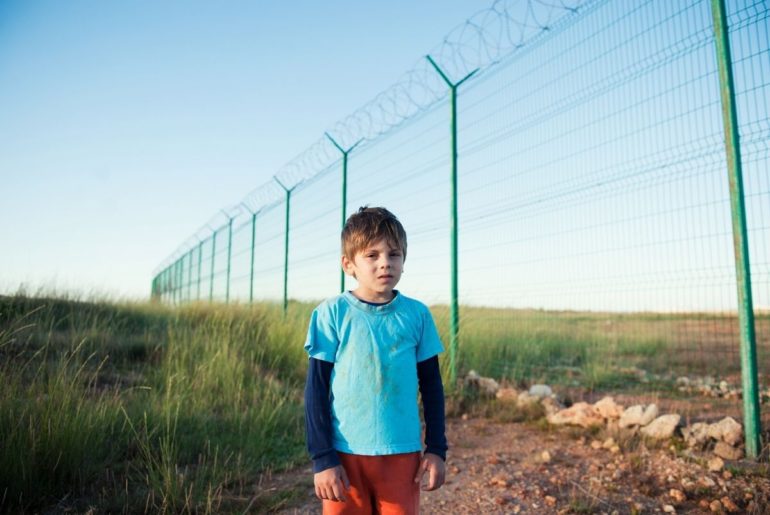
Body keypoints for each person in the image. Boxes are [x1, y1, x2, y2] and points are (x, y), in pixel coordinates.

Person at [304, 206, 448, 515]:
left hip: (401, 453)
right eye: (372, 255)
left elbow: (433, 388)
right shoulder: (331, 314)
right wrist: (323, 458)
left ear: (403, 260)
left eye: (394, 254)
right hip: (344, 454)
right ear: (349, 264)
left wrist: (436, 449)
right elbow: (315, 391)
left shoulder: (417, 315)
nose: (385, 263)